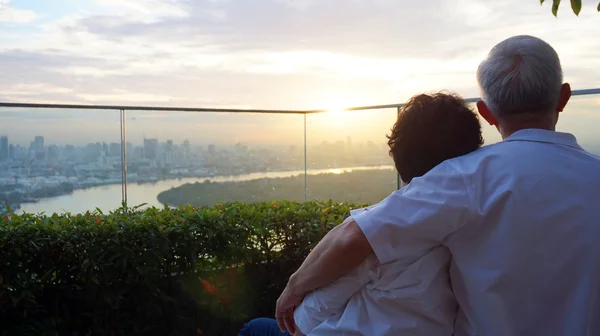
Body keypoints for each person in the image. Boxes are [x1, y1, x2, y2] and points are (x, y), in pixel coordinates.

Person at [276, 34, 600, 335]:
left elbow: (354, 237)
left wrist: (293, 288)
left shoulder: (466, 176)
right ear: (563, 97)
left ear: (486, 113)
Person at [238, 92, 484, 335]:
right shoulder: (478, 216)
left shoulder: (384, 237)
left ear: (400, 156)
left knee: (255, 328)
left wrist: (294, 289)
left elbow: (302, 323)